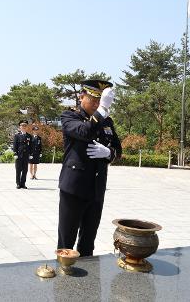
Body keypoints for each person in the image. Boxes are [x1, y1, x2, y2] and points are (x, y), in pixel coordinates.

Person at [57, 79, 122, 256]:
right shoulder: (69, 116)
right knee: (66, 241)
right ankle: (65, 279)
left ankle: (88, 281)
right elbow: (85, 132)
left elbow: (118, 150)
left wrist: (108, 153)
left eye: (99, 101)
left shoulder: (107, 121)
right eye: (93, 99)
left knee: (88, 241)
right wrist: (102, 110)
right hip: (74, 188)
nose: (96, 104)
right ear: (81, 96)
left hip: (96, 188)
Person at [13, 120, 33, 189]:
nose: (24, 127)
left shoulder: (29, 136)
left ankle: (23, 184)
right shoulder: (17, 136)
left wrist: (31, 154)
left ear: (27, 127)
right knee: (18, 170)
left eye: (25, 125)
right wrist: (15, 153)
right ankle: (18, 183)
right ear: (20, 127)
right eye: (22, 125)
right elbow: (15, 145)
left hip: (26, 156)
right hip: (19, 155)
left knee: (25, 170)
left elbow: (31, 146)